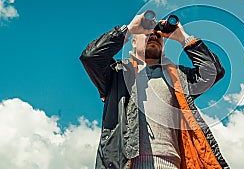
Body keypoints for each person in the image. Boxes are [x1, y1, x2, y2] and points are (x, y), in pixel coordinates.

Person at [80, 12, 230, 169]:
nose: (153, 36)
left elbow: (213, 72)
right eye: (146, 34)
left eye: (158, 36)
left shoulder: (178, 78)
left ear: (164, 46)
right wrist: (129, 29)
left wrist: (182, 37)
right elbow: (91, 57)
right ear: (133, 42)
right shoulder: (117, 74)